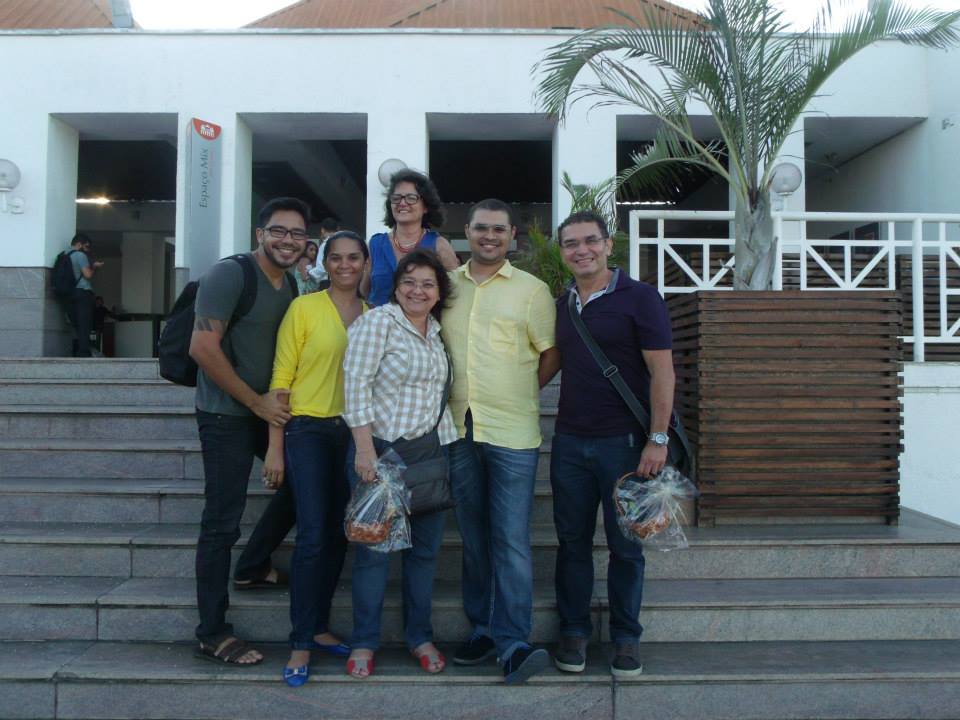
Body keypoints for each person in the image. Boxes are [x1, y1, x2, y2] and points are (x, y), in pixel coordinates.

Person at [548, 210, 675, 679]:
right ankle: (574, 631)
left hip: (624, 444)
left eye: (589, 241)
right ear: (562, 252)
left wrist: (657, 439)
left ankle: (625, 637)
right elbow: (550, 363)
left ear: (608, 244)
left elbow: (662, 371)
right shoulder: (561, 305)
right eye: (571, 243)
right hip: (568, 443)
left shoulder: (640, 297)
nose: (581, 250)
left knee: (626, 547)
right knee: (572, 543)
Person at [442, 198, 559, 685]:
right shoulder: (446, 286)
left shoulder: (533, 291)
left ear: (513, 236)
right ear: (467, 232)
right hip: (457, 429)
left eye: (498, 229)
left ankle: (513, 643)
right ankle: (483, 629)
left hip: (512, 432)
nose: (489, 236)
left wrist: (521, 392)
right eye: (480, 228)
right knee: (473, 538)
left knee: (510, 540)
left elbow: (551, 353)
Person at [189, 197, 309, 666]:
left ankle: (254, 564)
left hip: (264, 411)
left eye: (297, 234)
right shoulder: (230, 274)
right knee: (221, 521)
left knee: (304, 482)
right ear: (260, 234)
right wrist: (256, 402)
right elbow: (203, 347)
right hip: (225, 414)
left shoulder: (290, 283)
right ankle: (212, 632)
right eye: (279, 231)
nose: (288, 241)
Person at [342, 249, 456, 679]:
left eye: (428, 283)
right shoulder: (378, 323)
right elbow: (355, 384)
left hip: (428, 455)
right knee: (373, 553)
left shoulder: (438, 332)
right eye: (409, 281)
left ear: (439, 292)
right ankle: (364, 640)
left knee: (423, 554)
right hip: (380, 452)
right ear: (396, 286)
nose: (417, 290)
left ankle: (420, 637)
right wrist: (364, 450)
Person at [262, 231, 369, 687]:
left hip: (354, 434)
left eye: (353, 257)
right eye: (336, 258)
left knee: (339, 534)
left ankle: (320, 626)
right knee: (310, 536)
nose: (345, 265)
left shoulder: (374, 314)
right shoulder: (304, 307)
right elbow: (281, 377)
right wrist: (275, 446)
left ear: (365, 263)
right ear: (326, 263)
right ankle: (301, 640)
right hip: (307, 430)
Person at [362, 169, 458, 305]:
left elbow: (454, 294)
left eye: (411, 198)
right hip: (379, 318)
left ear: (425, 206)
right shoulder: (375, 244)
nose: (402, 203)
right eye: (396, 198)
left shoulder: (439, 245)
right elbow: (364, 292)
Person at [65, 234, 103, 357]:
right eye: (86, 247)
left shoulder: (64, 255)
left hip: (69, 293)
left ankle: (76, 349)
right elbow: (88, 275)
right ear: (79, 244)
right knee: (84, 323)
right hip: (83, 292)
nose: (87, 250)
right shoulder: (80, 255)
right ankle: (84, 352)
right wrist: (95, 267)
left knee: (75, 323)